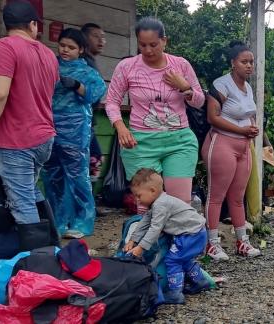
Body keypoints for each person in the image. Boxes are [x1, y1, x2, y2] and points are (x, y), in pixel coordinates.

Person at [0, 0, 59, 250]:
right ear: (33, 25)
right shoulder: (48, 55)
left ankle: (40, 265)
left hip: (17, 140)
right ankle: (53, 246)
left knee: (22, 201)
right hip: (44, 137)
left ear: (7, 26)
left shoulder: (6, 46)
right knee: (30, 192)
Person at [105, 17, 204, 209]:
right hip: (140, 142)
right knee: (146, 205)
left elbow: (200, 102)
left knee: (179, 205)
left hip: (179, 141)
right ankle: (149, 240)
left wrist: (185, 87)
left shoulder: (181, 65)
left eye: (154, 44)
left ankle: (176, 240)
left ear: (164, 41)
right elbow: (112, 102)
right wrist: (120, 128)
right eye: (142, 45)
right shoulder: (127, 67)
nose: (148, 50)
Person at [41, 28, 106, 238]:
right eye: (62, 46)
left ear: (81, 50)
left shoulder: (88, 73)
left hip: (76, 128)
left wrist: (77, 85)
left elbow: (95, 94)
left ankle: (82, 222)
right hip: (49, 125)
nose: (65, 50)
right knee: (53, 175)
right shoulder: (50, 67)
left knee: (77, 175)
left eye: (71, 47)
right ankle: (58, 221)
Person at [202, 41, 261, 261]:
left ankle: (242, 241)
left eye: (251, 62)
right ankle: (212, 243)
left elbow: (249, 113)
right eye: (244, 62)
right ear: (232, 63)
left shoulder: (248, 88)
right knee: (216, 196)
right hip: (222, 143)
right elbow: (213, 118)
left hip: (243, 146)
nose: (249, 66)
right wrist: (242, 129)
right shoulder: (221, 85)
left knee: (237, 197)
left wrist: (254, 133)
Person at [123, 168, 209, 304]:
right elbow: (145, 222)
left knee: (172, 260)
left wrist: (141, 248)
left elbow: (155, 228)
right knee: (183, 259)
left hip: (192, 234)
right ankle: (200, 282)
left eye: (139, 196)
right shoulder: (157, 203)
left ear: (152, 190)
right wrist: (133, 239)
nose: (137, 200)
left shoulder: (161, 204)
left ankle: (176, 293)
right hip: (196, 232)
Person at [80, 23, 107, 182]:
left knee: (95, 160)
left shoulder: (90, 61)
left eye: (103, 37)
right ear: (84, 38)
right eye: (96, 36)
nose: (101, 40)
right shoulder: (82, 63)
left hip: (89, 121)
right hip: (80, 122)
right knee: (89, 164)